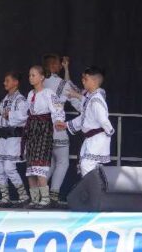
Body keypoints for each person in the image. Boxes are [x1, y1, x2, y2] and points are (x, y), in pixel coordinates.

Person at [0, 71, 30, 206]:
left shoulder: (21, 100)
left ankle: (24, 197)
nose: (4, 83)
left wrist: (10, 115)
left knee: (9, 167)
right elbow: (4, 120)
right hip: (4, 138)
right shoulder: (5, 100)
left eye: (7, 80)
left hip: (15, 138)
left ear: (15, 82)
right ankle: (5, 199)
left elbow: (24, 117)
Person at [23, 65, 66, 208]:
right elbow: (26, 112)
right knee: (30, 167)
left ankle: (45, 199)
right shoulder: (30, 94)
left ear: (42, 77)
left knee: (39, 165)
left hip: (43, 130)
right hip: (32, 130)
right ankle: (34, 199)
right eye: (29, 75)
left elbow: (57, 109)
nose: (31, 78)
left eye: (33, 75)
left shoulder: (48, 93)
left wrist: (58, 120)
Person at [60, 66, 113, 177]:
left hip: (98, 138)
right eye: (83, 78)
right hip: (91, 139)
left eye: (86, 79)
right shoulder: (90, 98)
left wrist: (109, 132)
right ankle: (96, 186)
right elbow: (84, 118)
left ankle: (94, 187)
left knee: (86, 165)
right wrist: (67, 124)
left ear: (94, 81)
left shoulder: (96, 99)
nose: (83, 81)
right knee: (87, 166)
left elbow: (103, 120)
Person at [42, 54, 79, 206]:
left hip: (42, 128)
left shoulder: (41, 81)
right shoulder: (61, 83)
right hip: (57, 126)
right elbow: (75, 97)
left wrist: (66, 69)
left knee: (49, 163)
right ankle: (53, 195)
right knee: (62, 162)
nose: (59, 66)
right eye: (58, 64)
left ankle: (40, 194)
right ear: (53, 66)